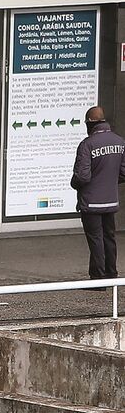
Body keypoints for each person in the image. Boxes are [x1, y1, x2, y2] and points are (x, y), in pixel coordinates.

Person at [70, 106, 125, 286]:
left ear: (90, 123)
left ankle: (98, 279)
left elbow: (82, 176)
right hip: (111, 201)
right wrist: (108, 181)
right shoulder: (119, 142)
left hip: (91, 203)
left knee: (96, 240)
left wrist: (74, 183)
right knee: (109, 238)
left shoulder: (87, 144)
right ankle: (111, 274)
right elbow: (124, 172)